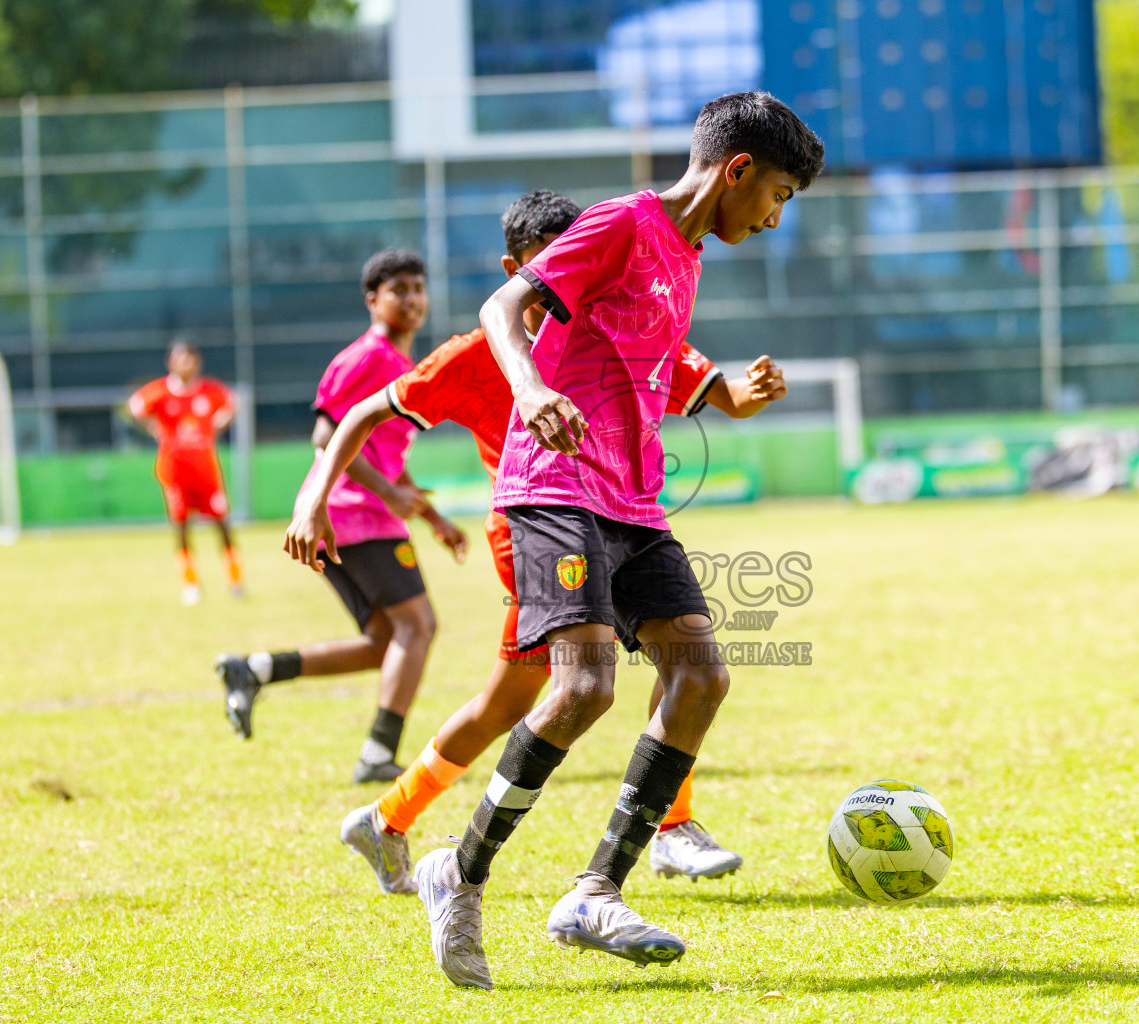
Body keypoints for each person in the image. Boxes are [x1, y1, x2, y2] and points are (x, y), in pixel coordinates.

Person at [410, 91, 823, 989]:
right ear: (738, 171)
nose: (776, 216)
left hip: (631, 502)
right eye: (780, 195)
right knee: (585, 686)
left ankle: (596, 890)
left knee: (703, 675)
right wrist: (526, 387)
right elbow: (501, 310)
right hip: (554, 487)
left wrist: (726, 392)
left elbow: (634, 358)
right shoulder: (622, 223)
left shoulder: (688, 254)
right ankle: (459, 869)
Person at [283, 189, 787, 900]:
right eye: (548, 260)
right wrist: (312, 500)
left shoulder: (616, 317)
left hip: (614, 517)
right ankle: (663, 832)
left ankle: (388, 816)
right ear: (516, 267)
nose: (569, 271)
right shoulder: (476, 355)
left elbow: (718, 392)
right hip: (538, 529)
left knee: (520, 700)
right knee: (605, 680)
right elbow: (362, 412)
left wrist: (749, 388)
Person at [216, 249, 467, 784]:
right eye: (399, 289)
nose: (413, 299)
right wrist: (384, 495)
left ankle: (256, 669)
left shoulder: (404, 367)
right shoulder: (367, 358)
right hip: (350, 516)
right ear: (373, 300)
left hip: (351, 517)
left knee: (386, 642)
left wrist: (431, 516)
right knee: (418, 627)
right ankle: (378, 754)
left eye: (418, 288)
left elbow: (383, 458)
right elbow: (328, 437)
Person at [128, 339, 240, 606]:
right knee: (181, 527)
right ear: (170, 362)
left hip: (206, 471)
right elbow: (134, 406)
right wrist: (153, 427)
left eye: (190, 357)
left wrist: (219, 423)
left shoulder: (210, 391)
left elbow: (231, 403)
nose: (185, 363)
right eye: (180, 358)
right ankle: (191, 584)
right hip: (174, 471)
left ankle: (235, 579)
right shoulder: (160, 393)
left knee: (223, 525)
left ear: (197, 361)